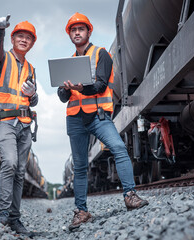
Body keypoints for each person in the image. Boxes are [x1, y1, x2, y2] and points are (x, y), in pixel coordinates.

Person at [57, 12, 149, 230]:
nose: (77, 33)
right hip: (74, 119)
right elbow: (63, 98)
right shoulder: (68, 63)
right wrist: (64, 89)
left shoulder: (102, 54)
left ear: (89, 32)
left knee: (118, 148)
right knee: (79, 167)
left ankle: (130, 196)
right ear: (70, 34)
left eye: (81, 29)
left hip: (98, 116)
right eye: (73, 30)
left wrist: (80, 87)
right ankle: (81, 212)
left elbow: (100, 86)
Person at [0, 14, 37, 236]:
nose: (24, 40)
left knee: (19, 172)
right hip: (4, 121)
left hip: (24, 125)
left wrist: (34, 94)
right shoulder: (1, 59)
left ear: (32, 43)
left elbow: (32, 100)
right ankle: (3, 216)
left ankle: (15, 219)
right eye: (20, 36)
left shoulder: (31, 68)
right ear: (13, 38)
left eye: (28, 37)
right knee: (9, 161)